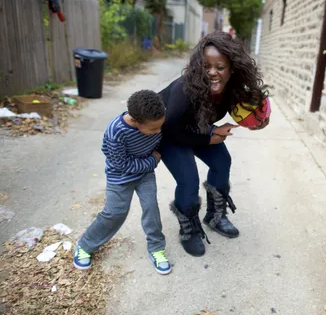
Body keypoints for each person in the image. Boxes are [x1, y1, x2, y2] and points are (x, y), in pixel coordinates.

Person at [159, 31, 270, 257]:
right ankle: (188, 227)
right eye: (206, 66)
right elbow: (172, 128)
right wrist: (209, 136)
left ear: (232, 68)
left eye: (220, 67)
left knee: (221, 161)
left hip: (196, 128)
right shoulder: (184, 89)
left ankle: (215, 216)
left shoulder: (233, 88)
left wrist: (259, 121)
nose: (212, 73)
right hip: (168, 132)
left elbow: (249, 111)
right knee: (188, 178)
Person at [73, 90, 171, 275]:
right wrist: (152, 161)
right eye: (152, 129)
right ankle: (84, 245)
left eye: (160, 127)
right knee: (114, 213)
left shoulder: (155, 120)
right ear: (135, 121)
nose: (158, 131)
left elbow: (158, 140)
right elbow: (121, 163)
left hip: (145, 175)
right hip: (120, 177)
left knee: (151, 208)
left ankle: (156, 249)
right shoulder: (115, 131)